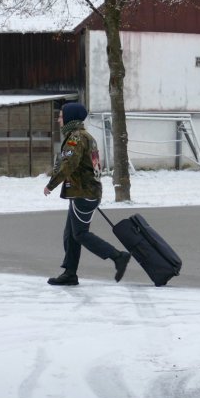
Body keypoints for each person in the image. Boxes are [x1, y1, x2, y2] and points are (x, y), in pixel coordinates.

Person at [44, 102, 130, 285]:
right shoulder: (85, 136)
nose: (58, 119)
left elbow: (68, 165)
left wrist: (51, 185)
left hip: (84, 193)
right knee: (70, 234)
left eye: (61, 116)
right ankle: (69, 273)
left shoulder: (75, 138)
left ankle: (118, 256)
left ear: (70, 118)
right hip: (84, 192)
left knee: (80, 234)